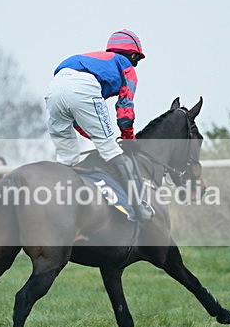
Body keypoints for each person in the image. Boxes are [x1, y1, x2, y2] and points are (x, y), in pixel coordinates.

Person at [45, 29, 154, 221]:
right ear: (133, 54)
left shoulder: (95, 59)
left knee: (67, 158)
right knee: (112, 151)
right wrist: (128, 139)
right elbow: (125, 110)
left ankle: (51, 204)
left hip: (54, 88)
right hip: (83, 87)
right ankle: (139, 207)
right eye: (138, 59)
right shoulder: (126, 66)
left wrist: (97, 135)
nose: (137, 64)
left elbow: (81, 119)